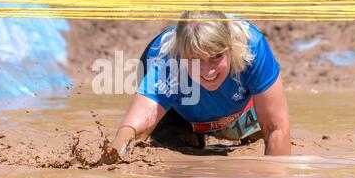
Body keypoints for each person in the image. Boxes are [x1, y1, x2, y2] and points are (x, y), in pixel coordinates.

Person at [102, 11, 290, 164]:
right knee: (183, 153)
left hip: (236, 100)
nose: (208, 72)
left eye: (216, 56)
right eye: (195, 59)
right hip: (179, 99)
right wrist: (113, 166)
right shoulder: (167, 63)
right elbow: (133, 132)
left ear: (231, 49)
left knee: (257, 137)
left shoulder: (252, 49)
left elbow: (276, 129)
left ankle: (227, 125)